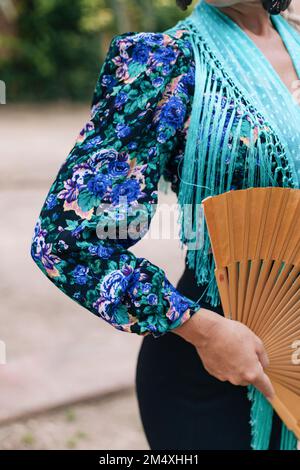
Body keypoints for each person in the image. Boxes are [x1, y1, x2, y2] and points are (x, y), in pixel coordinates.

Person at [30, 0, 300, 450]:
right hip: (212, 369)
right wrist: (201, 329)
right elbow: (62, 239)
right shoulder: (163, 61)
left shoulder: (296, 40)